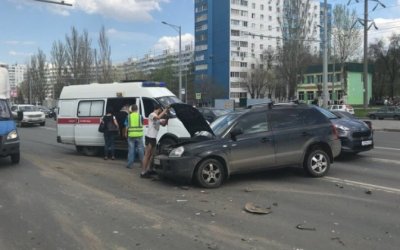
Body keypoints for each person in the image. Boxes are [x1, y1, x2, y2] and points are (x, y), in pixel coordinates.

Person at [141, 104, 169, 178]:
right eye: (161, 110)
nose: (161, 111)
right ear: (159, 109)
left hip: (154, 138)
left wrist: (167, 118)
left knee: (152, 155)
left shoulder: (158, 117)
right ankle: (143, 172)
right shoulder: (152, 115)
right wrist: (165, 110)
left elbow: (164, 124)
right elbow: (157, 118)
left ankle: (148, 170)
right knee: (147, 155)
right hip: (149, 137)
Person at [125, 104, 144, 169]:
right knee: (140, 149)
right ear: (137, 109)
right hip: (139, 135)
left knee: (131, 149)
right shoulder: (140, 116)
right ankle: (142, 164)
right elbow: (142, 124)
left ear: (131, 109)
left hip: (131, 135)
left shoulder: (128, 116)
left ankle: (130, 165)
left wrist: (125, 133)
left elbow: (126, 126)